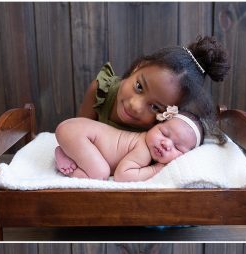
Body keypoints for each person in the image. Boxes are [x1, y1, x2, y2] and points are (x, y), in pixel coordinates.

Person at [78, 38, 229, 135]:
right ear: (138, 67)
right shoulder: (100, 92)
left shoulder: (161, 131)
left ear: (170, 113)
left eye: (156, 107)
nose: (135, 106)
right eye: (139, 86)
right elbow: (76, 131)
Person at [54, 107, 201, 181]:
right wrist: (156, 170)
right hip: (77, 133)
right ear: (155, 125)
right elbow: (121, 176)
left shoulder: (146, 146)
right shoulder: (143, 149)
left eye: (177, 147)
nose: (166, 144)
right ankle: (68, 167)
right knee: (100, 173)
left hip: (75, 130)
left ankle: (68, 151)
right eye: (163, 133)